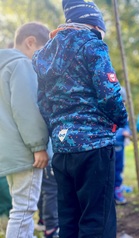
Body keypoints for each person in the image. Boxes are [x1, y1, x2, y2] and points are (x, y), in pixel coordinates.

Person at [32, 0, 128, 237]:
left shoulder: (43, 55)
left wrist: (58, 127)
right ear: (93, 23)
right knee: (97, 220)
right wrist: (120, 119)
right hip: (93, 147)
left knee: (69, 221)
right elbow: (109, 94)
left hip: (62, 150)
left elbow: (42, 102)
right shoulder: (91, 44)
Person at [0, 22, 50, 237]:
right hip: (24, 152)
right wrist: (39, 145)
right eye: (43, 51)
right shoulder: (22, 64)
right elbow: (27, 108)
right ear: (30, 42)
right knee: (24, 210)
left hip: (6, 151)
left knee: (17, 208)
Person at [114, 87, 132, 205]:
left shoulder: (123, 115)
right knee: (111, 170)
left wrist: (128, 132)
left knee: (119, 168)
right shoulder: (109, 113)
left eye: (124, 103)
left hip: (120, 147)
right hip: (111, 146)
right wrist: (121, 133)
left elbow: (126, 126)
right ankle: (112, 191)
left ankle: (118, 188)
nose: (123, 105)